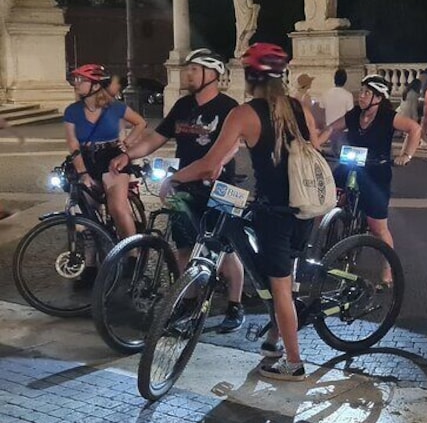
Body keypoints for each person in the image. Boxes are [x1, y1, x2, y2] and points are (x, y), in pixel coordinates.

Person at [159, 42, 321, 381]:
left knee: (280, 289)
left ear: (249, 76)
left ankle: (294, 363)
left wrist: (174, 177)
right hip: (305, 207)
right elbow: (312, 151)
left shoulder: (244, 113)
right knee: (281, 280)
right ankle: (274, 340)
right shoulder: (296, 108)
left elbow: (207, 165)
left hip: (275, 212)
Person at [110, 49, 246, 333]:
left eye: (194, 70)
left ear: (213, 75)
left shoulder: (228, 107)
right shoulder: (183, 106)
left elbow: (234, 144)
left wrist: (220, 160)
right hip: (185, 185)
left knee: (223, 248)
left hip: (221, 188)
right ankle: (190, 299)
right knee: (184, 244)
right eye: (188, 69)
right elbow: (156, 138)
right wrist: (129, 156)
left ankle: (235, 305)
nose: (188, 74)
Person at [317, 74, 422, 262]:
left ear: (379, 98)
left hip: (376, 169)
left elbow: (415, 129)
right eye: (362, 91)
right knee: (326, 200)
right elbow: (332, 128)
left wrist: (406, 155)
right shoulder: (355, 113)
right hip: (350, 164)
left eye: (367, 93)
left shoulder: (387, 117)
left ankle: (388, 271)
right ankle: (330, 237)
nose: (361, 96)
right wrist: (315, 144)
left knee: (377, 227)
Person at [63, 64, 147, 286]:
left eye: (80, 80)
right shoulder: (72, 111)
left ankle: (132, 256)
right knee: (86, 213)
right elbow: (72, 142)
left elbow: (141, 123)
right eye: (76, 80)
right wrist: (82, 173)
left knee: (118, 207)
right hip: (86, 160)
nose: (76, 84)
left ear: (94, 84)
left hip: (111, 157)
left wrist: (127, 144)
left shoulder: (115, 107)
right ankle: (90, 265)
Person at [320, 69, 355, 154]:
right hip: (343, 131)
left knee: (333, 153)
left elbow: (321, 110)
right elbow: (350, 113)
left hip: (329, 130)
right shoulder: (348, 95)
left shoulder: (325, 93)